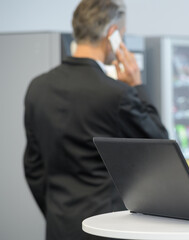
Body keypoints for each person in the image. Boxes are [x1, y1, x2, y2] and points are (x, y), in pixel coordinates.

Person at [23, 0, 168, 239]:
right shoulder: (117, 94)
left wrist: (56, 213)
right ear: (112, 34)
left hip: (59, 227)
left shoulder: (37, 88)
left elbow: (33, 168)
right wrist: (137, 85)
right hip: (106, 227)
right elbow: (161, 145)